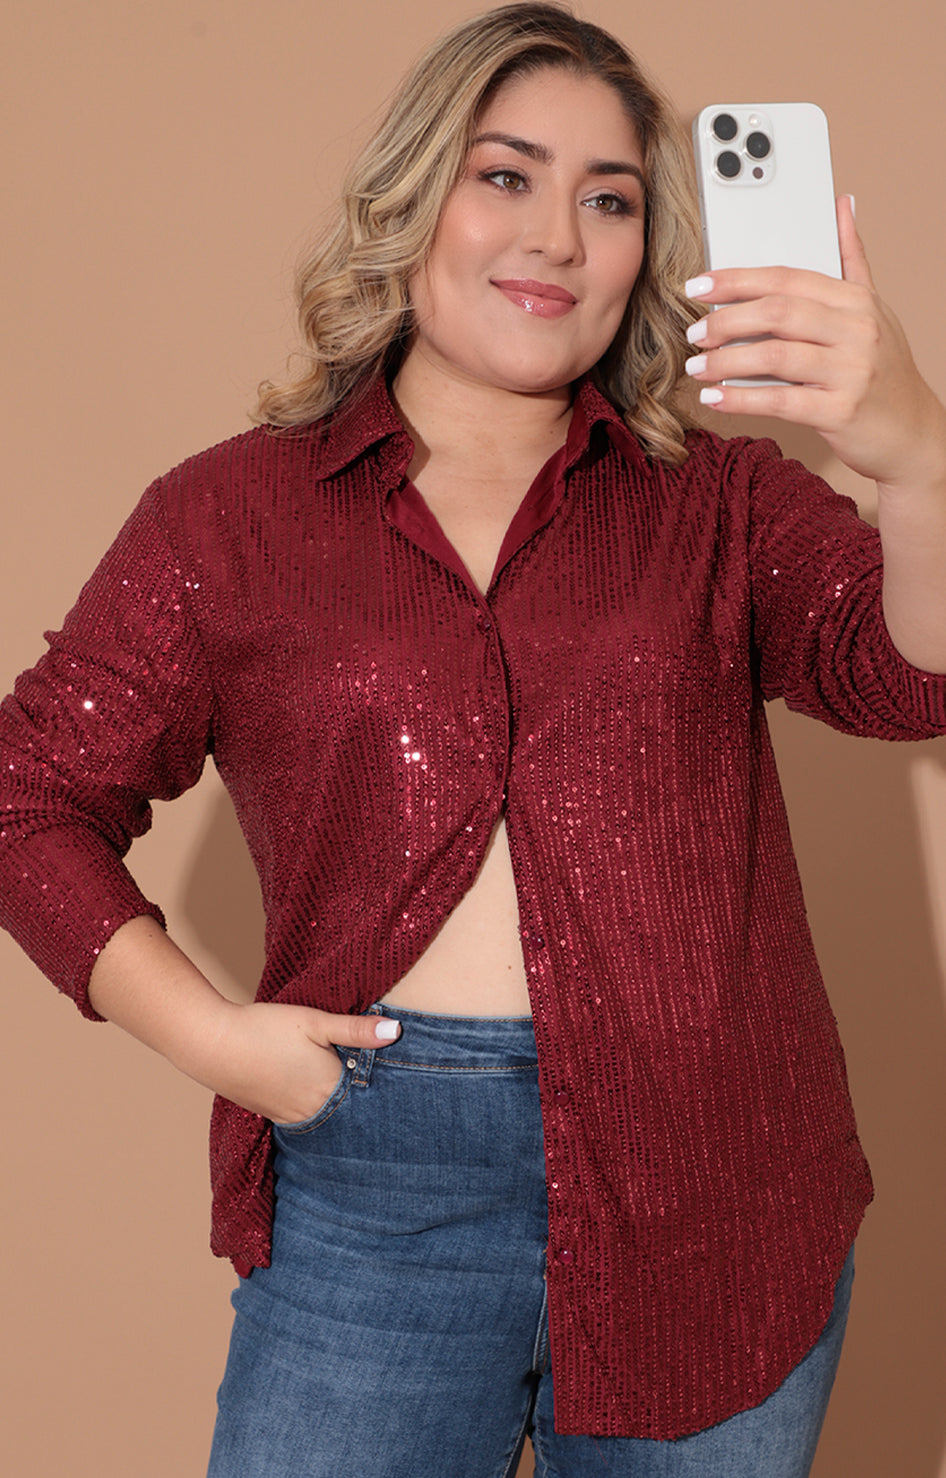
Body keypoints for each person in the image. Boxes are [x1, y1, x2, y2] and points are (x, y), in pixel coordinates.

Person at [2, 3, 945, 1474]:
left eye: (609, 201)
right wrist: (217, 1042)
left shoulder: (722, 502)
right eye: (506, 176)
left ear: (645, 251)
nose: (556, 237)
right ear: (412, 199)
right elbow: (28, 797)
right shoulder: (227, 518)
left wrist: (917, 455)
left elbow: (911, 678)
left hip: (715, 1180)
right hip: (373, 1177)